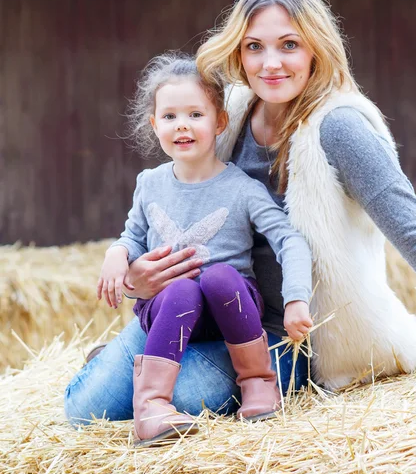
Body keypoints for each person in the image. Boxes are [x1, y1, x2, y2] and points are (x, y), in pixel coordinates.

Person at [64, 0, 416, 426]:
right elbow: (173, 211)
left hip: (279, 340)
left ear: (317, 46)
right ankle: (117, 365)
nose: (271, 63)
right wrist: (137, 278)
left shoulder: (339, 129)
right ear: (238, 51)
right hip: (196, 312)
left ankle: (125, 367)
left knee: (168, 400)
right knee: (82, 409)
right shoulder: (229, 115)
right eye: (254, 46)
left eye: (289, 45)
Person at [95, 52, 313, 446]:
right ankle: (152, 409)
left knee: (218, 277)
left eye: (196, 114)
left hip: (231, 314)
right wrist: (117, 254)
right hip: (171, 312)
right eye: (170, 116)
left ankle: (258, 384)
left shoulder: (243, 189)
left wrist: (296, 296)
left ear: (220, 122)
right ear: (154, 124)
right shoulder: (150, 183)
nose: (182, 125)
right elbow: (133, 237)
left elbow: (289, 239)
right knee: (180, 289)